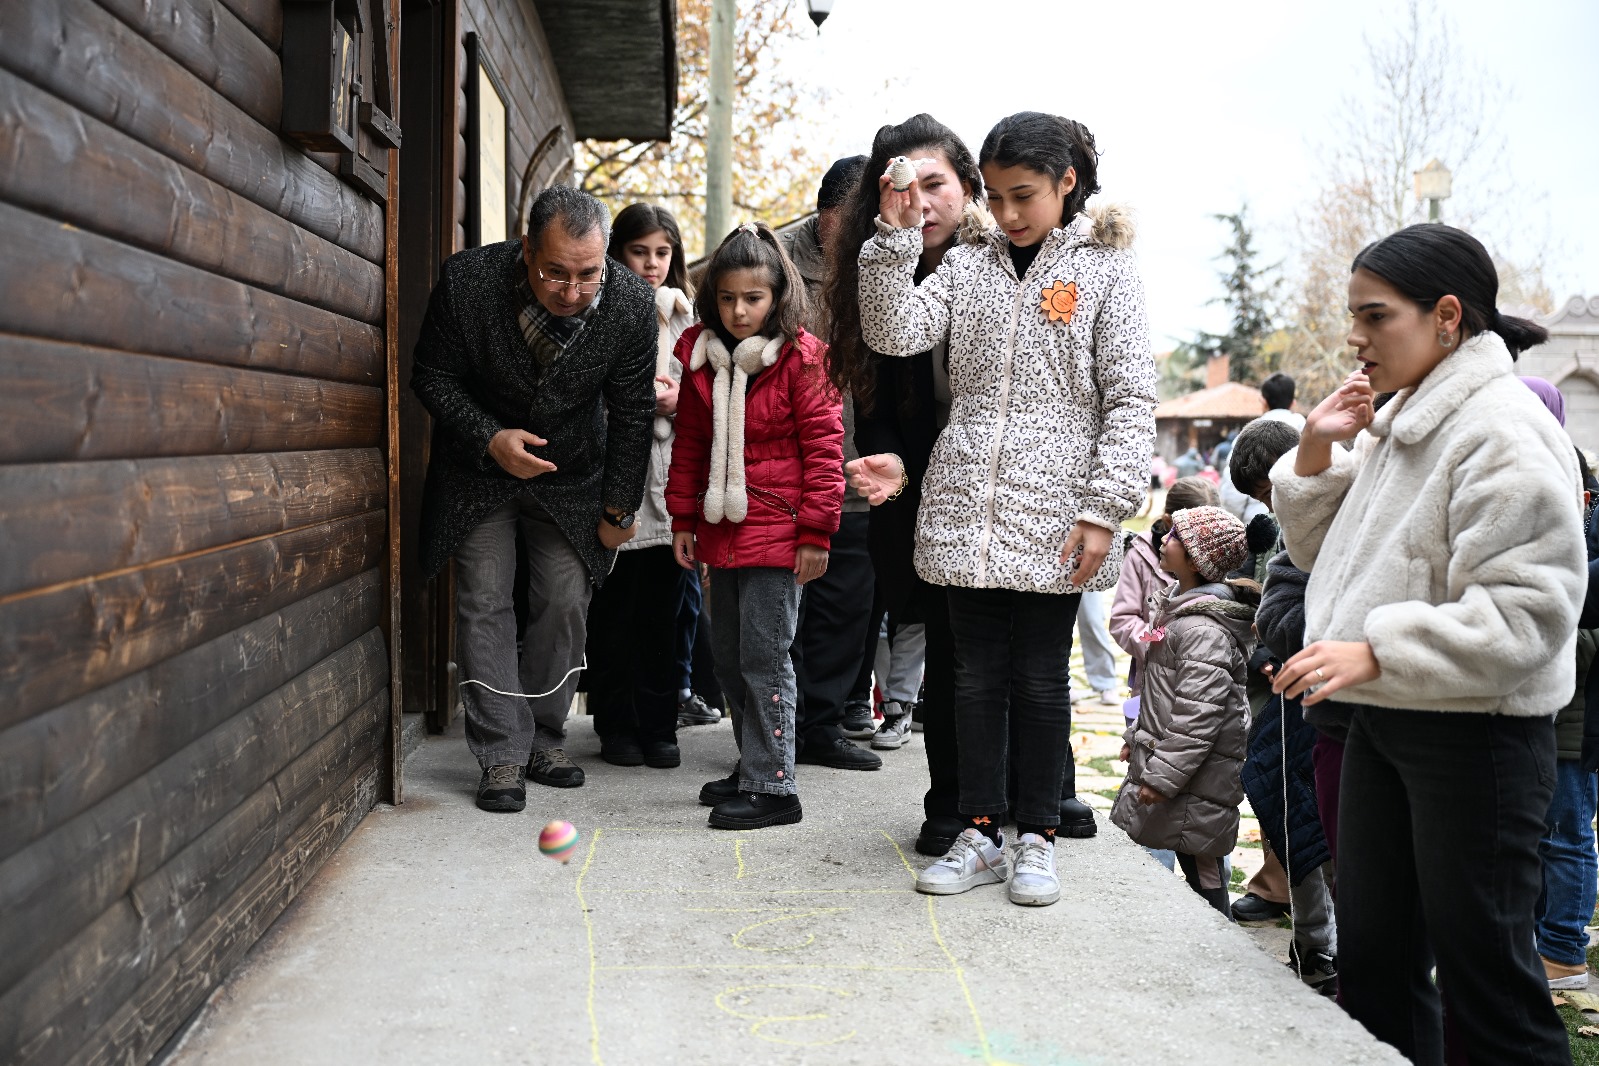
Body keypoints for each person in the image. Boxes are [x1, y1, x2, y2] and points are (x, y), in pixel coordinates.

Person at [1268, 223, 1585, 1063]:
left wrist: (1376, 651)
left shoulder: (1502, 430)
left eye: (1375, 316)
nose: (1355, 339)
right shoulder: (1403, 419)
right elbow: (1321, 555)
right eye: (1352, 317)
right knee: (1374, 965)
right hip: (1379, 722)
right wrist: (1314, 450)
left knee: (1488, 986)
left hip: (1474, 737)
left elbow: (1529, 611)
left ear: (1446, 316)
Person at [851, 111, 1156, 906]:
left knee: (1039, 679)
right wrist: (892, 240)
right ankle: (977, 832)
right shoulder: (969, 262)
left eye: (1023, 195)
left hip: (1057, 504)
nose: (1007, 212)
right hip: (964, 495)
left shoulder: (1107, 270)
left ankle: (1036, 838)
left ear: (1067, 183)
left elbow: (1129, 400)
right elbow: (894, 332)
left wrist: (1102, 509)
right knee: (973, 677)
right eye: (995, 195)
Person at [412, 185, 656, 812]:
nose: (572, 291)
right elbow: (431, 375)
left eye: (588, 274)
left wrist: (619, 510)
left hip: (572, 475)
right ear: (527, 250)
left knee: (564, 598)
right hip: (479, 470)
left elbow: (632, 415)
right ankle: (500, 754)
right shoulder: (469, 282)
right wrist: (488, 437)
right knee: (484, 598)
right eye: (555, 272)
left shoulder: (629, 304)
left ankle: (547, 737)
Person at [824, 113, 993, 854]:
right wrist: (890, 460)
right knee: (952, 651)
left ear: (967, 187)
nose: (919, 202)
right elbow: (874, 396)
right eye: (900, 187)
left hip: (1006, 484)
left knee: (1021, 656)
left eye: (935, 184)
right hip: (920, 491)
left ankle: (1044, 797)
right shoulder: (877, 269)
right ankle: (950, 804)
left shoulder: (1004, 262)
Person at [666, 221, 844, 830]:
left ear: (778, 297)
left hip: (782, 531)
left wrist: (817, 534)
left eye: (754, 298)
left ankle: (775, 787)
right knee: (727, 655)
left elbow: (824, 449)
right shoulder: (700, 358)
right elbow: (689, 443)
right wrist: (682, 519)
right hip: (723, 530)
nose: (739, 311)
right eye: (727, 298)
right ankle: (754, 764)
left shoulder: (802, 358)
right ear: (712, 296)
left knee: (767, 658)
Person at [581, 203, 700, 769]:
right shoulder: (597, 308)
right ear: (615, 253)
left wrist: (683, 400)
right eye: (639, 251)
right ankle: (615, 723)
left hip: (672, 485)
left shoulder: (691, 318)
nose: (652, 264)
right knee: (613, 614)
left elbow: (714, 395)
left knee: (665, 614)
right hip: (616, 480)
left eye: (662, 253)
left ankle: (659, 725)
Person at [781, 155, 883, 773]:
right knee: (783, 608)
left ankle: (819, 722)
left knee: (849, 601)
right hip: (790, 468)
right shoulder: (779, 263)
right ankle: (773, 723)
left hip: (862, 466)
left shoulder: (889, 259)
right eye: (855, 217)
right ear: (826, 217)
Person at [1111, 506, 1256, 915]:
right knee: (1164, 852)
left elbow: (1198, 718)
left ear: (1195, 559)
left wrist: (1162, 778)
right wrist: (1134, 735)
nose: (1162, 539)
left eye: (1174, 536)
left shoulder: (1203, 631)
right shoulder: (1179, 610)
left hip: (1193, 775)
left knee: (1202, 866)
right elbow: (1161, 693)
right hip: (1170, 764)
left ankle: (1218, 942)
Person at [1108, 475, 1219, 725]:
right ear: (1169, 521)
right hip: (1151, 685)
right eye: (1189, 535)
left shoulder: (1215, 557)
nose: (1198, 545)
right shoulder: (1140, 556)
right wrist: (1160, 645)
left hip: (1201, 685)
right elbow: (1122, 619)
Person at [1219, 372, 1305, 522]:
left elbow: (1232, 493)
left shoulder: (1248, 438)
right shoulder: (1308, 434)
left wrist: (1240, 522)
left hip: (1257, 520)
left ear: (1263, 402)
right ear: (1293, 403)